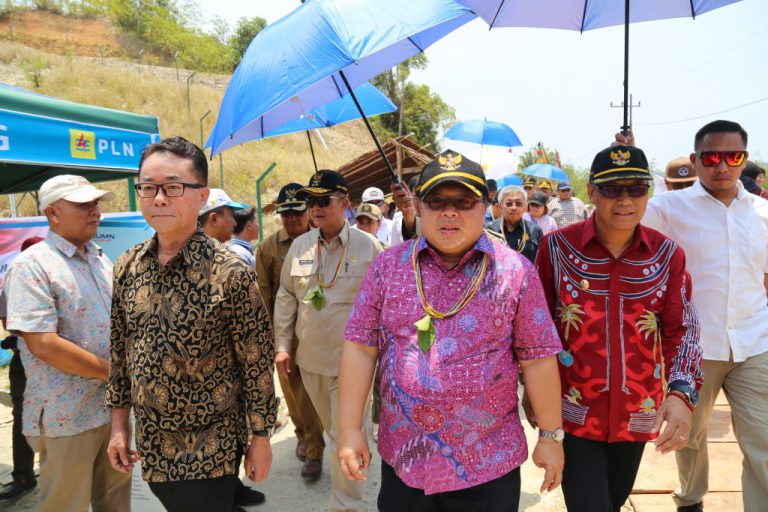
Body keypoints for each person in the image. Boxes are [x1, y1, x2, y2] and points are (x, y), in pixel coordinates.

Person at [338, 150, 565, 512]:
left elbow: (538, 358)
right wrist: (350, 429)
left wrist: (551, 436)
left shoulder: (515, 272)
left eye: (464, 202)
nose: (449, 212)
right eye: (437, 201)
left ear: (485, 205)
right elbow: (361, 347)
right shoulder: (388, 268)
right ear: (419, 206)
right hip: (405, 458)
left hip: (488, 462)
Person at [105, 137, 277, 512]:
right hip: (151, 442)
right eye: (148, 188)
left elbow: (256, 362)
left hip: (210, 444)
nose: (159, 199)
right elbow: (120, 352)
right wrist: (119, 426)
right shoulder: (127, 266)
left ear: (202, 196)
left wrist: (260, 436)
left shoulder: (229, 272)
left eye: (173, 187)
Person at [535, 144, 704, 512]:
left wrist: (681, 393)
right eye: (612, 189)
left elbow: (682, 329)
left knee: (611, 501)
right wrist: (532, 394)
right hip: (573, 410)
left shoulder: (667, 255)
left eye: (636, 188)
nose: (625, 199)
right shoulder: (556, 249)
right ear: (592, 191)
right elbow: (537, 328)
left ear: (649, 192)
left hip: (637, 412)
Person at [640, 120, 768, 512]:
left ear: (744, 159)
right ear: (696, 161)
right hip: (694, 347)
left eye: (734, 156)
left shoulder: (762, 213)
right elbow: (629, 238)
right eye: (712, 157)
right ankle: (690, 500)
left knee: (762, 440)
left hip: (755, 342)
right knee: (690, 437)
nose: (723, 165)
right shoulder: (666, 210)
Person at [2, 175, 131, 512]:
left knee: (115, 501)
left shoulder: (100, 259)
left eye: (96, 203)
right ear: (52, 213)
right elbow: (43, 344)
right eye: (83, 204)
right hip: (67, 417)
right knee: (66, 505)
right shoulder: (32, 266)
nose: (95, 211)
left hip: (111, 411)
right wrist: (114, 374)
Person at [273, 170, 383, 511]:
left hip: (354, 363)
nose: (315, 208)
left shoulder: (370, 247)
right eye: (311, 201)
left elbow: (386, 303)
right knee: (332, 432)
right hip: (311, 361)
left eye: (323, 200)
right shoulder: (301, 246)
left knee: (342, 436)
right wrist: (282, 345)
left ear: (345, 203)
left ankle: (345, 504)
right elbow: (287, 296)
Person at [255, 183, 325, 481]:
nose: (291, 219)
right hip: (286, 335)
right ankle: (304, 437)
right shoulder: (269, 248)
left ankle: (314, 448)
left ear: (308, 211)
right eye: (285, 213)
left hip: (319, 333)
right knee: (293, 394)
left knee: (311, 394)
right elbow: (264, 295)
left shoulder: (322, 241)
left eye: (296, 212)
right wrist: (270, 339)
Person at [0, 236, 43, 501]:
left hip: (56, 360)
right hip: (26, 358)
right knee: (24, 417)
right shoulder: (14, 282)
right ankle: (24, 475)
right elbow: (10, 323)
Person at [487, 185, 543, 264]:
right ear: (500, 207)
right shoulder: (490, 229)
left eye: (518, 203)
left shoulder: (535, 230)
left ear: (525, 207)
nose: (514, 207)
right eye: (509, 204)